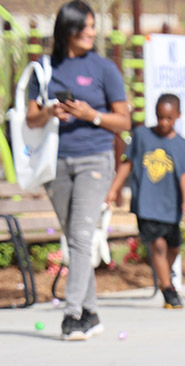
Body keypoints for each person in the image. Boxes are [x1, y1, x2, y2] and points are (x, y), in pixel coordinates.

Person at [25, 0, 130, 340]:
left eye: (92, 26)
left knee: (83, 236)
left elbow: (124, 120)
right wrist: (52, 112)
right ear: (66, 30)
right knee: (75, 239)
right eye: (83, 27)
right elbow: (30, 116)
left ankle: (71, 315)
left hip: (94, 159)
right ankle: (92, 312)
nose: (90, 32)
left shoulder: (104, 68)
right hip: (55, 160)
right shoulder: (43, 67)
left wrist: (91, 115)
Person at [106, 94, 185, 309]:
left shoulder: (182, 145)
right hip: (146, 203)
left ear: (178, 116)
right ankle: (168, 290)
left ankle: (164, 270)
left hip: (170, 205)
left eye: (169, 118)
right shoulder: (142, 135)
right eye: (160, 117)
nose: (164, 123)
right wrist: (113, 189)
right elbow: (127, 163)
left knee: (173, 247)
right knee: (157, 245)